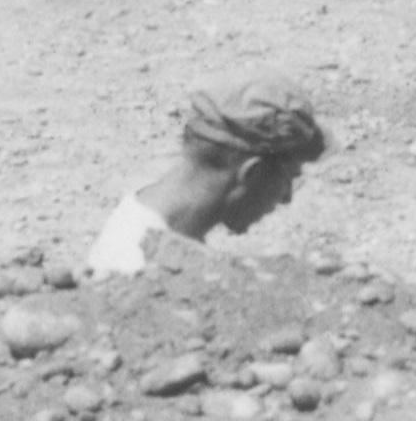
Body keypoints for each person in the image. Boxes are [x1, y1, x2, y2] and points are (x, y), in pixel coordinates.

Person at [93, 88, 326, 279]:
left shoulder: (152, 216)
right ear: (251, 173)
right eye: (288, 179)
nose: (286, 198)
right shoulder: (139, 270)